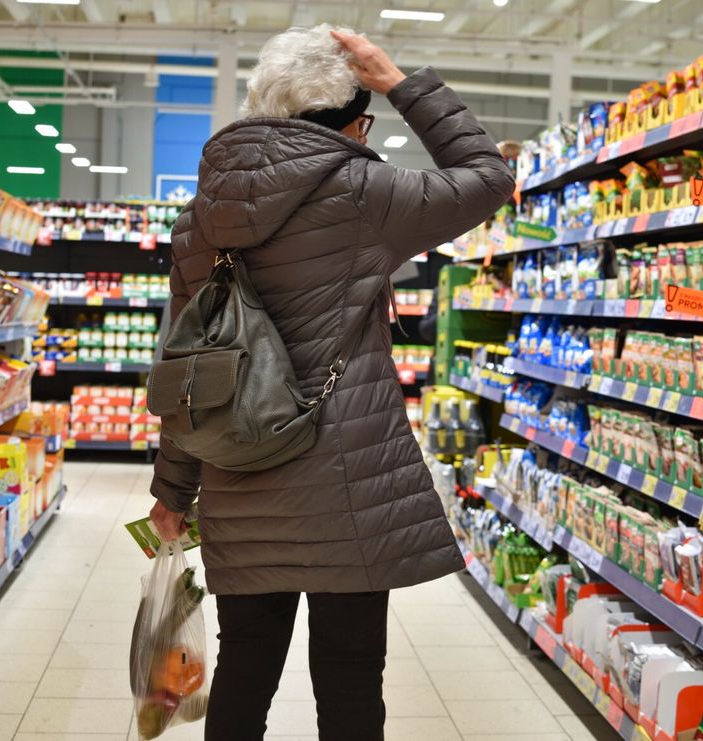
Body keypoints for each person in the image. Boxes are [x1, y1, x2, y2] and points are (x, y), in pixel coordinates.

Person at [146, 24, 515, 741]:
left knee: (245, 665)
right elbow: (489, 174)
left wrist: (172, 489)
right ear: (354, 119)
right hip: (350, 484)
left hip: (237, 476)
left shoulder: (200, 215)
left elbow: (187, 365)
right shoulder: (364, 192)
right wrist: (401, 80)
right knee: (349, 675)